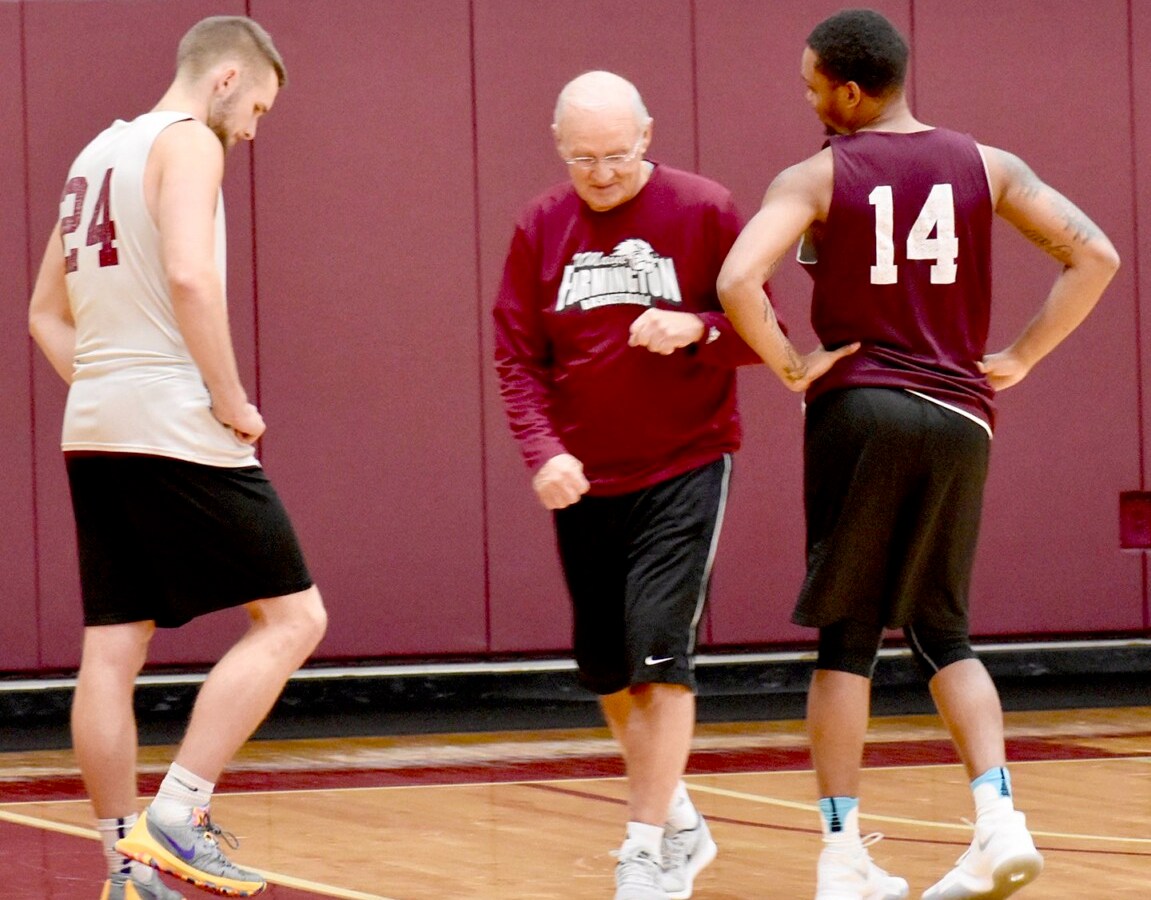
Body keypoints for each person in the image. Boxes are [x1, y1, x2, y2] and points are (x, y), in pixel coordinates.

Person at [717, 9, 1119, 900]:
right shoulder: (989, 164)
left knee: (847, 640)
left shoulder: (816, 175)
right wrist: (1019, 357)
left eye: (811, 85)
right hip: (960, 415)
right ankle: (998, 822)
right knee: (944, 631)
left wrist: (791, 367)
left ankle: (841, 855)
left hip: (861, 408)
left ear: (848, 92)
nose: (806, 99)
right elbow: (1095, 255)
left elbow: (737, 278)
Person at [27, 16, 327, 900]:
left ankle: (125, 869)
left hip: (95, 426)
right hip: (171, 419)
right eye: (258, 107)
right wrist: (227, 400)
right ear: (226, 77)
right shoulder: (189, 141)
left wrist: (111, 385)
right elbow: (192, 278)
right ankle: (180, 812)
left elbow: (43, 314)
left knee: (112, 649)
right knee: (295, 620)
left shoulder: (94, 156)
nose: (254, 130)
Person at [493, 70, 762, 900]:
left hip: (685, 463)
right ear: (558, 147)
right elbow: (516, 356)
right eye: (583, 159)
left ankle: (642, 851)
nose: (602, 174)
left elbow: (763, 331)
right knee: (607, 670)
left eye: (616, 155)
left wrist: (697, 328)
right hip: (583, 479)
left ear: (646, 136)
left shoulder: (706, 209)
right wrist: (542, 452)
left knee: (658, 659)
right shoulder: (540, 225)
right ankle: (676, 816)